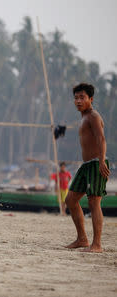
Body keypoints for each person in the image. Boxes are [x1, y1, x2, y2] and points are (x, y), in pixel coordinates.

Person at [64, 83, 110, 253]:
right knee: (70, 200)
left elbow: (101, 139)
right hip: (86, 166)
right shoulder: (84, 117)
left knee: (94, 202)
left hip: (96, 163)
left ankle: (97, 244)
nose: (78, 101)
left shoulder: (93, 116)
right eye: (76, 97)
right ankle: (82, 238)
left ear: (91, 99)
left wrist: (102, 161)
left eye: (82, 97)